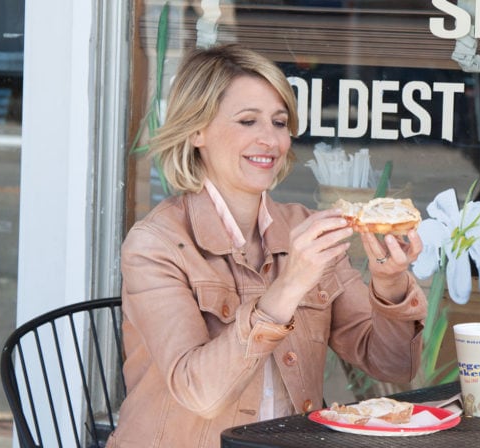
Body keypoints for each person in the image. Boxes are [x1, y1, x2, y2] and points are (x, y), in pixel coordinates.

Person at [106, 44, 427, 448]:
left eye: (279, 122)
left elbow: (393, 365)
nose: (270, 140)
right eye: (247, 121)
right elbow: (199, 392)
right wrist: (290, 285)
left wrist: (390, 283)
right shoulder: (156, 244)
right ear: (196, 131)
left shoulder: (302, 226)